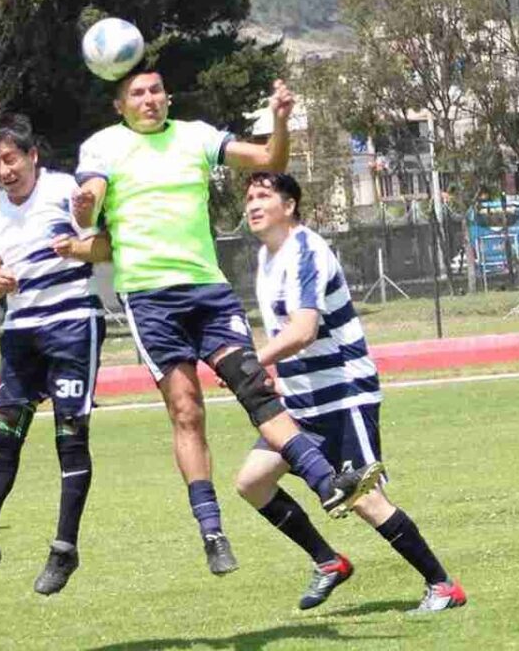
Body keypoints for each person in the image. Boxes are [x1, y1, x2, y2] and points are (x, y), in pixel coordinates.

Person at [71, 67, 383, 576]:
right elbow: (88, 215)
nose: (149, 99)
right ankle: (211, 530)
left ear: (167, 96)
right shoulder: (102, 147)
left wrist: (279, 120)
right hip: (150, 301)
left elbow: (268, 159)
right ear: (120, 105)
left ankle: (328, 484)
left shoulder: (195, 136)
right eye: (137, 94)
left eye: (155, 90)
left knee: (253, 385)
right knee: (187, 410)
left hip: (208, 292)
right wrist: (84, 208)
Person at [238, 172, 466, 613]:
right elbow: (284, 331)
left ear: (289, 206)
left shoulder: (307, 251)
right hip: (302, 402)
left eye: (263, 196)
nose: (252, 204)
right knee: (252, 481)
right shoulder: (267, 258)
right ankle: (329, 561)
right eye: (248, 197)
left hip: (343, 395)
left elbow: (303, 331)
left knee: (364, 498)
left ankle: (441, 585)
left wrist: (254, 362)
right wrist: (277, 378)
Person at [0, 113, 109, 595]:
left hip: (73, 324)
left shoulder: (66, 190)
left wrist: (78, 248)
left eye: (10, 158)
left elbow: (106, 244)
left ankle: (64, 550)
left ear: (32, 155)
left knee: (70, 438)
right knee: (5, 433)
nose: (3, 169)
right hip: (21, 331)